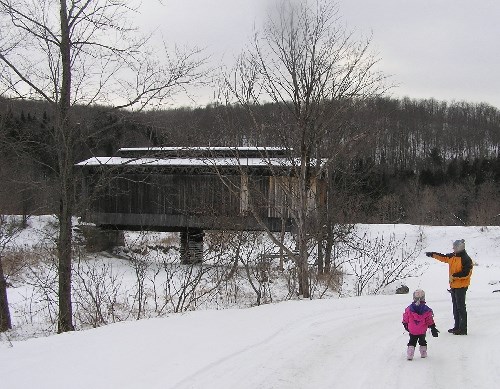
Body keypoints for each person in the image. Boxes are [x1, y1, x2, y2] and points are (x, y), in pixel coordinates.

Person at [426, 239, 473, 335]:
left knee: (461, 307)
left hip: (461, 286)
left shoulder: (466, 259)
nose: (453, 248)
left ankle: (463, 329)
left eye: (455, 247)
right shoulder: (453, 256)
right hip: (454, 286)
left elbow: (466, 273)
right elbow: (443, 257)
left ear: (460, 248)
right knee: (455, 307)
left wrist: (454, 276)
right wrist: (432, 254)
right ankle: (457, 327)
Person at [402, 289, 439, 360]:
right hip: (422, 330)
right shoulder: (427, 310)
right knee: (422, 341)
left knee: (412, 341)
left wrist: (405, 324)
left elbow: (405, 318)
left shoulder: (409, 309)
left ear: (413, 298)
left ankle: (410, 354)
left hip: (412, 329)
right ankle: (423, 353)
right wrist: (433, 327)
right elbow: (429, 320)